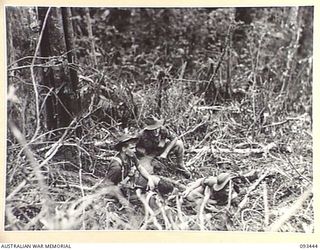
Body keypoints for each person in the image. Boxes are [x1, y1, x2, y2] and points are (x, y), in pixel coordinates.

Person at [103, 133, 156, 209]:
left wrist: (149, 178)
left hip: (126, 186)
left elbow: (139, 167)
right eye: (131, 148)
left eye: (134, 148)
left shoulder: (130, 155)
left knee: (152, 181)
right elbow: (109, 185)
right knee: (131, 206)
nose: (134, 150)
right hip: (115, 190)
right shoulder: (116, 166)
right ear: (124, 149)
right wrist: (123, 200)